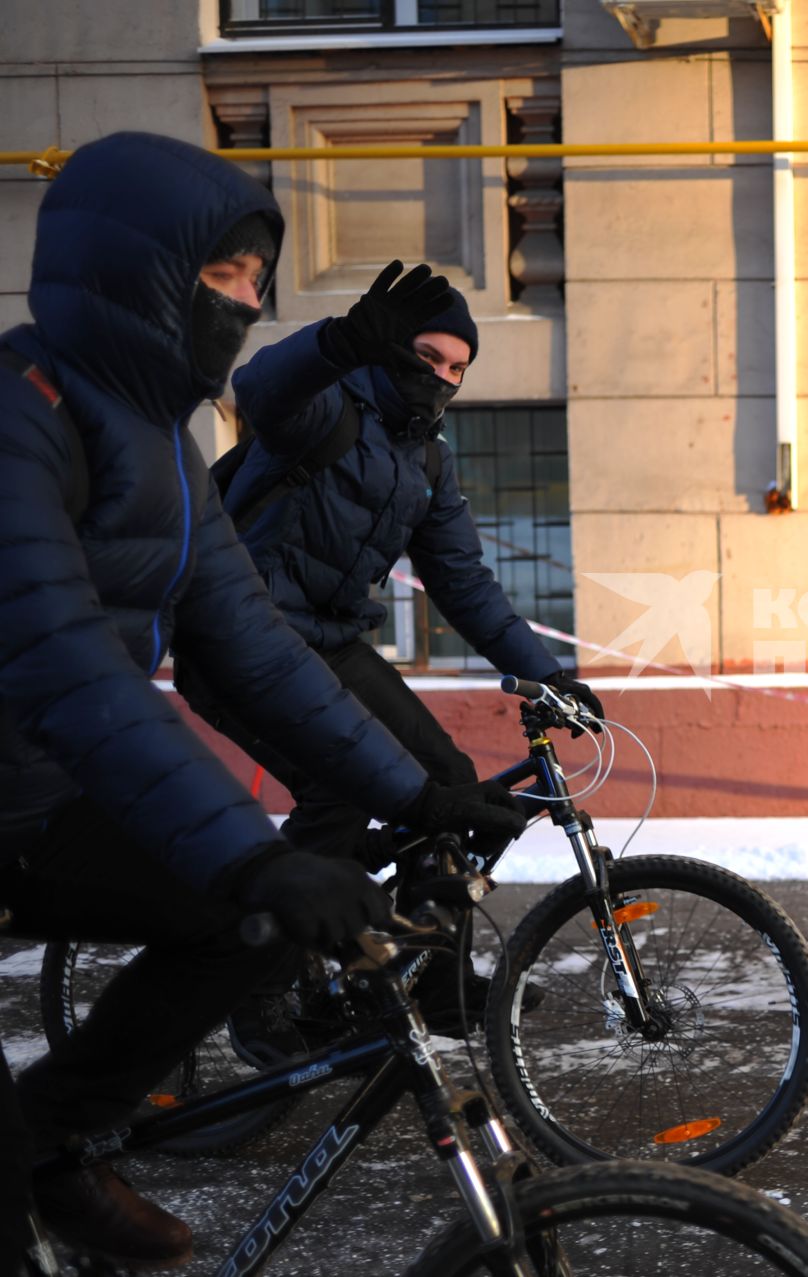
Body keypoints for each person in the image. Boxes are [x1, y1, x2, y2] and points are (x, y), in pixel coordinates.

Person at [0, 132, 523, 1271]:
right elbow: (65, 659)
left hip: (34, 795)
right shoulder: (18, 412)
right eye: (226, 276)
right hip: (26, 780)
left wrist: (420, 792)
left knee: (249, 923)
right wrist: (255, 851)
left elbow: (251, 646)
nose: (246, 303)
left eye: (255, 281)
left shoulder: (164, 446)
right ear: (138, 267)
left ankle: (47, 1135)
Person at [173, 262, 598, 1035]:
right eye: (428, 357)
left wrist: (548, 674)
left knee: (448, 781)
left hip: (330, 645)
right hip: (236, 639)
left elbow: (463, 582)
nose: (442, 377)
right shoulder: (325, 406)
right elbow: (261, 388)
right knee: (340, 793)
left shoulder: (426, 458)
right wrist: (336, 343)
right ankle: (256, 989)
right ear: (391, 348)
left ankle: (436, 979)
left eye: (458, 369)